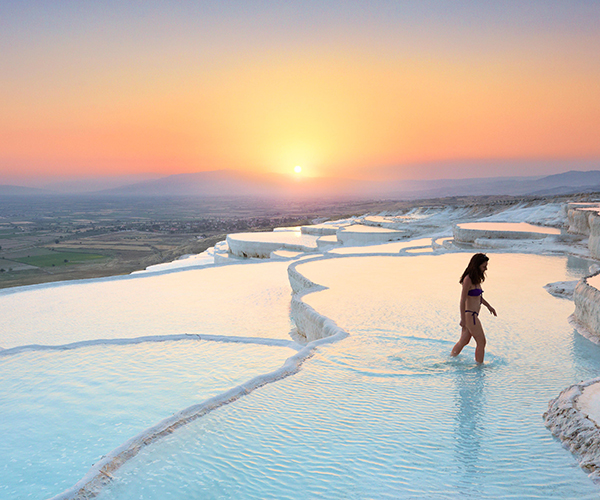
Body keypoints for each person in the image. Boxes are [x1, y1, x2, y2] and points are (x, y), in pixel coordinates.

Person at [451, 253, 497, 363]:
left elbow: (479, 298)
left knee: (464, 341)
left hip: (473, 315)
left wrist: (489, 306)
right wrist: (462, 319)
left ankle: (451, 359)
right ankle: (479, 367)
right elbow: (462, 300)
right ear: (476, 266)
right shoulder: (468, 279)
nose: (486, 268)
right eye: (483, 266)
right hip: (470, 315)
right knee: (481, 342)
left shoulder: (476, 279)